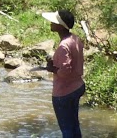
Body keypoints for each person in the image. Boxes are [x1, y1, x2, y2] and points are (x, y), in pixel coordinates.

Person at [44, 9, 86, 138]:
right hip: (77, 86)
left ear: (60, 26)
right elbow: (72, 62)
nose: (50, 23)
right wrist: (56, 62)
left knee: (66, 129)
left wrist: (52, 69)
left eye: (53, 22)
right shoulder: (75, 39)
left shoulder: (63, 45)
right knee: (74, 125)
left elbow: (64, 71)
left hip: (64, 92)